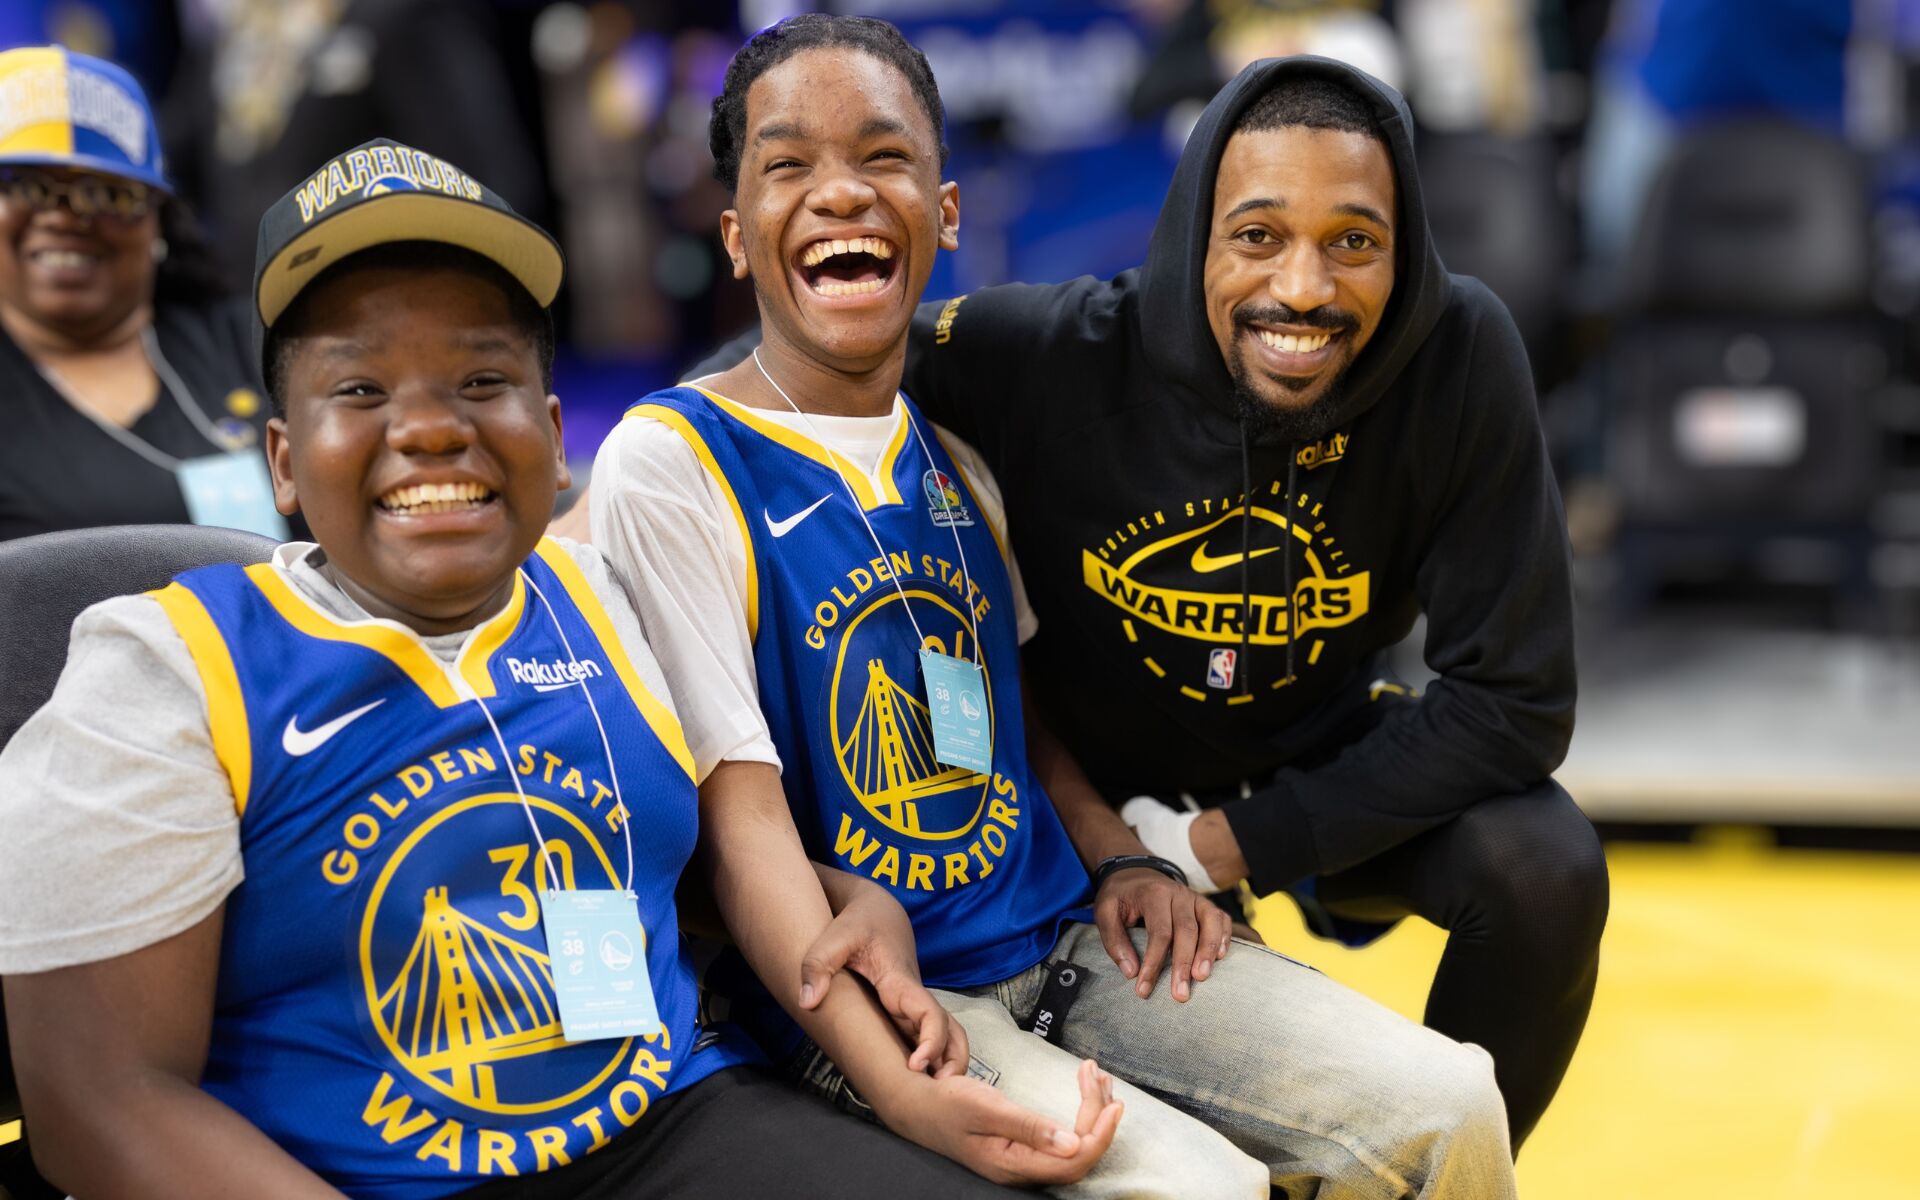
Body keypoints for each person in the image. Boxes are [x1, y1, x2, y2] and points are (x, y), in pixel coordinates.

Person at [0, 137, 1123, 1199]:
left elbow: (666, 862)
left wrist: (845, 895)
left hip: (679, 1121)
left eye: (481, 380)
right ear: (284, 463)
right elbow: (98, 1101)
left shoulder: (597, 596)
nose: (430, 428)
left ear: (549, 429)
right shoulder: (165, 673)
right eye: (361, 390)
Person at [591, 16, 1519, 1199]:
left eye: (884, 157)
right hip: (895, 999)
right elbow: (743, 831)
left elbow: (1017, 724)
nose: (842, 192)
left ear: (946, 212)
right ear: (735, 234)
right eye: (789, 165)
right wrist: (896, 1084)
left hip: (1071, 938)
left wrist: (1126, 860)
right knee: (1206, 1192)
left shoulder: (961, 462)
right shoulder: (673, 461)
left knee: (1454, 1106)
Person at [879, 55, 1602, 1148]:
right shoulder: (1055, 351)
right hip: (1082, 779)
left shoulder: (1456, 353)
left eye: (1353, 242)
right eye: (1258, 235)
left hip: (1307, 756)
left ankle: (1428, 1175)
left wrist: (1220, 845)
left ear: (1406, 252)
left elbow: (1516, 700)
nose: (1304, 289)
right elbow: (794, 365)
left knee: (1544, 870)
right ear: (1193, 240)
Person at [0, 46, 289, 543]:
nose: (63, 217)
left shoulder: (258, 342)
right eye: (27, 188)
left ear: (160, 218)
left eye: (107, 193)